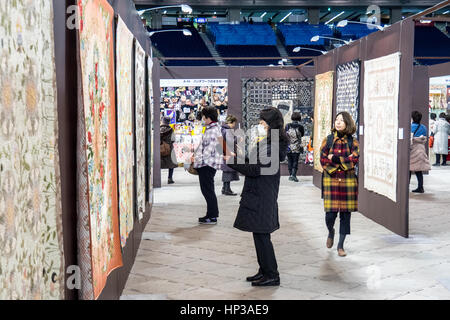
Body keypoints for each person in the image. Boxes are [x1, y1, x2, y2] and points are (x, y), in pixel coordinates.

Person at [226, 107, 288, 287]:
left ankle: (272, 274)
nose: (260, 125)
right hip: (260, 192)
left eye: (262, 123)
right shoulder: (269, 142)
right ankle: (264, 270)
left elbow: (255, 170)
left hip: (263, 194)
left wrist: (232, 161)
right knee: (259, 234)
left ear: (270, 124)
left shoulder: (272, 145)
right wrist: (237, 157)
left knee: (262, 236)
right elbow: (255, 163)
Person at [320, 111, 359, 257]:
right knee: (330, 215)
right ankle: (331, 231)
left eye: (342, 120)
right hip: (331, 180)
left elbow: (354, 160)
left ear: (347, 123)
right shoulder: (328, 140)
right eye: (336, 119)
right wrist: (342, 162)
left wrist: (335, 158)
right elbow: (323, 159)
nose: (338, 122)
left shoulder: (353, 142)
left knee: (345, 215)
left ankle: (341, 245)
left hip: (348, 182)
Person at [193, 107, 223, 225]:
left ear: (208, 117)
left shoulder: (212, 130)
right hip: (209, 164)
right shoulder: (214, 128)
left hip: (207, 164)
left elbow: (207, 151)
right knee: (208, 190)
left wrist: (196, 160)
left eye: (203, 116)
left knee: (208, 191)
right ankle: (211, 215)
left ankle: (212, 216)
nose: (202, 119)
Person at [410, 111, 431, 193]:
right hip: (421, 150)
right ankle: (420, 187)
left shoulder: (410, 127)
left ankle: (405, 188)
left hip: (412, 150)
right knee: (419, 170)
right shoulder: (424, 127)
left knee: (409, 170)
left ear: (412, 118)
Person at [221, 115, 240, 196]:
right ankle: (227, 189)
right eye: (234, 123)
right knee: (228, 171)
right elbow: (230, 142)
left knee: (226, 171)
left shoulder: (222, 129)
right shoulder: (227, 130)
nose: (234, 125)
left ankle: (225, 188)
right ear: (231, 122)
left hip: (224, 153)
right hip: (228, 153)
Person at [285, 112, 305, 182]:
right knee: (295, 161)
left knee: (289, 161)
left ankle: (290, 175)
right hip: (297, 146)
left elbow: (285, 134)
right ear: (299, 118)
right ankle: (294, 175)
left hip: (288, 147)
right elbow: (302, 135)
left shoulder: (287, 126)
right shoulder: (300, 127)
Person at [160, 117, 178, 184]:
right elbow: (173, 139)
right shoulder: (171, 130)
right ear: (169, 122)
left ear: (162, 121)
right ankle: (170, 178)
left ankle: (157, 179)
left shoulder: (159, 129)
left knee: (159, 163)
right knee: (171, 164)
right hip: (169, 149)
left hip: (160, 149)